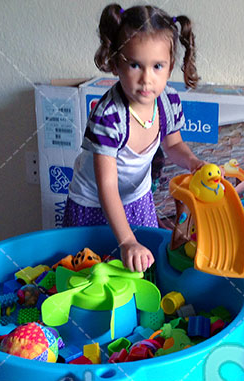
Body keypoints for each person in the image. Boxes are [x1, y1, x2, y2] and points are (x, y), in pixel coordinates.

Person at [64, 4, 205, 272]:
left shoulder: (167, 101)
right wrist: (127, 239)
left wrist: (193, 162)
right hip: (94, 202)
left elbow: (173, 145)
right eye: (135, 65)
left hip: (137, 198)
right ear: (117, 63)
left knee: (144, 266)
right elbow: (107, 186)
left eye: (157, 66)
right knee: (94, 270)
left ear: (170, 67)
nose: (146, 79)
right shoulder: (109, 116)